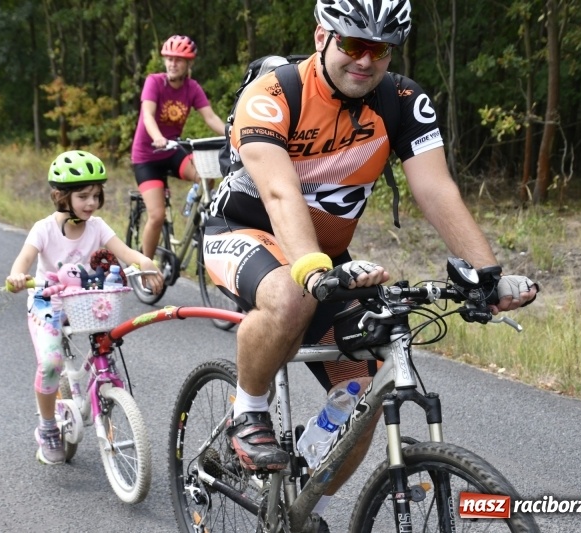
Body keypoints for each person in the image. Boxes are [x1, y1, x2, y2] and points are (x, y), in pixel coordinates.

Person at [204, 0, 539, 526]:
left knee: (365, 395)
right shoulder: (272, 95)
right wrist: (312, 270)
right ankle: (247, 410)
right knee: (292, 295)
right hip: (244, 232)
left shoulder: (402, 99)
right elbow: (278, 191)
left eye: (379, 49)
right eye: (353, 44)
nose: (365, 60)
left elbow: (434, 188)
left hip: (326, 256)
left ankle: (305, 505)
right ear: (322, 37)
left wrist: (485, 275)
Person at [6, 150, 164, 465]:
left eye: (96, 195)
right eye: (83, 196)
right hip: (48, 301)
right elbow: (23, 260)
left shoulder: (98, 227)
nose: (91, 203)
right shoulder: (44, 229)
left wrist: (147, 265)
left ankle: (103, 382)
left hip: (88, 301)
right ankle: (48, 427)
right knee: (51, 363)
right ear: (60, 196)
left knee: (107, 342)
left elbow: (127, 252)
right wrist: (17, 276)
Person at [131, 34, 226, 260]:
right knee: (156, 216)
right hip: (147, 156)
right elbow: (148, 117)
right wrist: (157, 137)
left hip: (172, 152)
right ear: (165, 61)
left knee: (206, 176)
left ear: (188, 64)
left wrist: (233, 135)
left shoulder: (192, 88)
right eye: (170, 59)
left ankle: (192, 209)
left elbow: (210, 117)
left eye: (179, 60)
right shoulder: (154, 82)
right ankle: (146, 265)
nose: (173, 64)